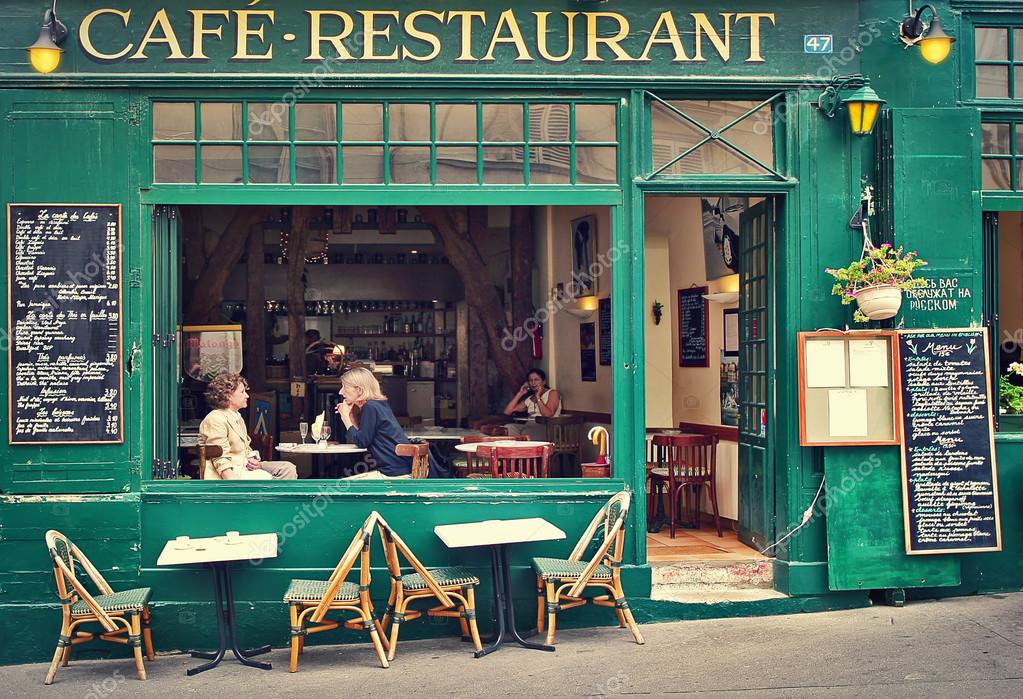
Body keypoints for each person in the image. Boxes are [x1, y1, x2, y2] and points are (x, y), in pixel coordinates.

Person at [199, 373, 298, 480]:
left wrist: (253, 459)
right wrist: (232, 483)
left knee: (287, 468)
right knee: (268, 478)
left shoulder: (237, 417)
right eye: (242, 392)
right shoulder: (215, 419)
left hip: (245, 464)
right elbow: (219, 456)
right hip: (234, 471)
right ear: (228, 395)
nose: (247, 396)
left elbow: (245, 448)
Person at [336, 367, 413, 479]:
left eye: (345, 387)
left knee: (342, 486)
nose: (341, 391)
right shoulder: (378, 404)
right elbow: (362, 437)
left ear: (359, 390)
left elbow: (362, 442)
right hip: (400, 469)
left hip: (393, 474)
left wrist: (345, 418)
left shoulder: (370, 407)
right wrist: (351, 416)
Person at [502, 368, 562, 441]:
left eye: (536, 380)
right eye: (530, 380)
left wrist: (538, 397)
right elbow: (508, 411)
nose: (533, 383)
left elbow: (548, 414)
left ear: (543, 382)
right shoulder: (530, 398)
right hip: (530, 426)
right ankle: (519, 447)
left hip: (547, 427)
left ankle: (523, 446)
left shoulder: (553, 393)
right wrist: (520, 393)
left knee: (526, 432)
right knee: (508, 428)